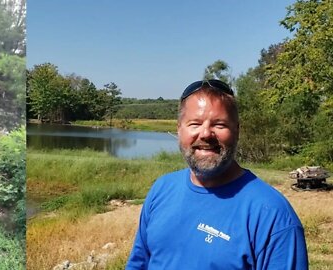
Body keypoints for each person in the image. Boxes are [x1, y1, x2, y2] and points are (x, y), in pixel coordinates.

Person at [126, 79, 308, 269]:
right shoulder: (161, 189)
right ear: (179, 129)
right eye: (195, 123)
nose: (205, 134)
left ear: (237, 131)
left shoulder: (273, 216)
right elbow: (138, 264)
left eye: (219, 125)